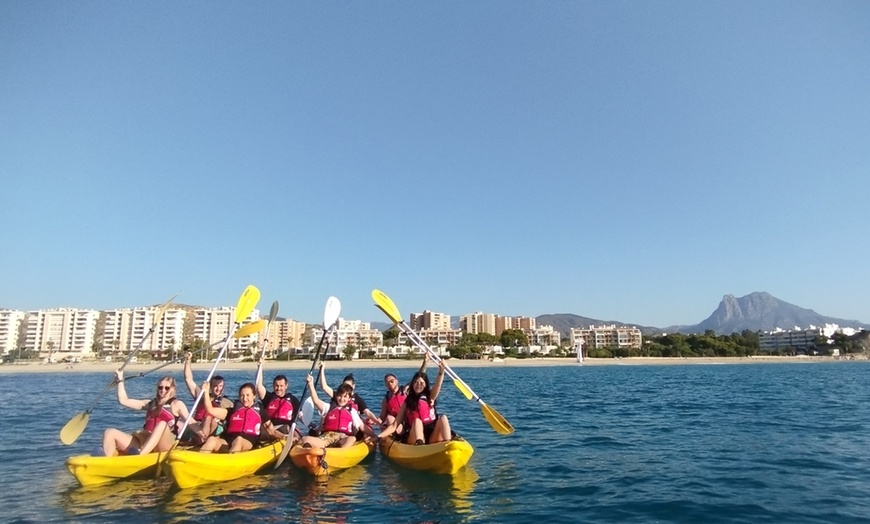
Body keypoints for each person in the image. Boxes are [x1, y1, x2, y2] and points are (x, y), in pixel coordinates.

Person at [101, 370, 190, 456]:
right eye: (160, 387)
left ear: (173, 389)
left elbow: (191, 422)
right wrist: (120, 380)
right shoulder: (149, 404)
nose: (163, 390)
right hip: (144, 441)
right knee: (109, 432)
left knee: (162, 424)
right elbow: (123, 400)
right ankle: (105, 460)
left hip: (163, 445)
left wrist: (202, 434)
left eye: (167, 388)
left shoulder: (177, 404)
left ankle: (140, 455)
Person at [379, 359, 451, 446]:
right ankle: (420, 445)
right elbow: (394, 425)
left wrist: (441, 371)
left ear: (425, 384)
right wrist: (379, 436)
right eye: (416, 382)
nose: (418, 384)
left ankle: (449, 444)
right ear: (412, 384)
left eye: (421, 383)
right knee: (417, 421)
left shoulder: (431, 397)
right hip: (414, 436)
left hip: (432, 435)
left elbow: (438, 384)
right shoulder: (407, 401)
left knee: (443, 418)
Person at [300, 375, 376, 449]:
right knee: (305, 439)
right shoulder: (328, 407)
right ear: (336, 396)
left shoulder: (352, 411)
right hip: (328, 437)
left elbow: (362, 426)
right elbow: (316, 400)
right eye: (340, 395)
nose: (342, 399)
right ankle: (317, 450)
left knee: (352, 439)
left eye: (345, 396)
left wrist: (374, 435)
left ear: (349, 398)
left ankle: (338, 452)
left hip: (343, 438)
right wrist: (311, 384)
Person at [198, 382, 264, 453]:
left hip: (247, 443)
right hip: (228, 442)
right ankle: (197, 461)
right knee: (211, 440)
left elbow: (271, 430)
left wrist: (277, 439)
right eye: (242, 395)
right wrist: (206, 391)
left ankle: (228, 461)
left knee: (239, 440)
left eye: (248, 395)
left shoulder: (260, 412)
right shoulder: (231, 411)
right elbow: (210, 410)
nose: (244, 398)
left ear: (254, 396)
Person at [182, 351, 233, 443]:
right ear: (210, 386)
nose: (218, 389)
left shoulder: (226, 402)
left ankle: (203, 441)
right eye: (215, 386)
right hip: (198, 425)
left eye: (220, 386)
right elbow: (188, 379)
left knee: (209, 419)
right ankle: (200, 440)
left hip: (215, 427)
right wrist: (188, 361)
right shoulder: (201, 396)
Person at [255, 357, 302, 442]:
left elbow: (300, 415)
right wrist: (260, 367)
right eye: (276, 386)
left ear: (286, 386)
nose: (278, 388)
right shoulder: (268, 397)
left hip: (286, 429)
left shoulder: (293, 400)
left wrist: (309, 424)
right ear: (273, 386)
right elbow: (258, 386)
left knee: (288, 429)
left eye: (281, 386)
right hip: (271, 429)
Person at [379, 354, 428, 433]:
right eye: (387, 383)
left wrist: (425, 362)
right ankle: (398, 438)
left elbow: (419, 376)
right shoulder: (386, 400)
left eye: (392, 381)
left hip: (411, 422)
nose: (390, 384)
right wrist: (373, 421)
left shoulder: (405, 390)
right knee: (389, 418)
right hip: (397, 425)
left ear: (397, 381)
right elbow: (382, 417)